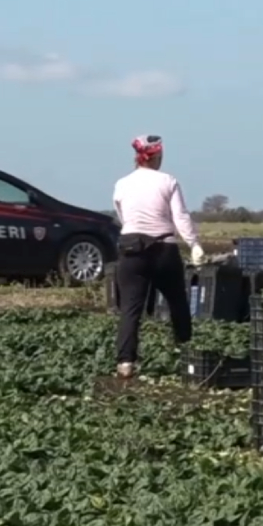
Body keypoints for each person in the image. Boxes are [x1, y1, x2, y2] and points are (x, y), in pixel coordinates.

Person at [112, 135, 205, 379]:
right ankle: (185, 351)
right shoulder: (167, 181)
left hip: (131, 249)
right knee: (177, 302)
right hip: (163, 248)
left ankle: (125, 363)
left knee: (131, 308)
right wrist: (194, 244)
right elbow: (180, 216)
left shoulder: (122, 184)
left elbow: (123, 217)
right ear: (157, 157)